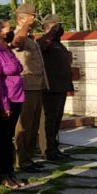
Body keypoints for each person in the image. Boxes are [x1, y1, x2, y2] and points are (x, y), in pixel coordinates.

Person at [0, 20, 26, 189]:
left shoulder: (7, 49)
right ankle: (3, 173)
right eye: (8, 30)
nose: (11, 33)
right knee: (2, 139)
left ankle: (10, 172)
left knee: (8, 138)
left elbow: (19, 67)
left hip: (17, 98)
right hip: (6, 100)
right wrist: (4, 106)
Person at [11, 4, 49, 173]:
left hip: (37, 85)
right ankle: (22, 161)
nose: (34, 19)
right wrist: (25, 25)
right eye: (31, 16)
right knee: (24, 125)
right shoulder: (17, 34)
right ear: (22, 17)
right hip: (26, 86)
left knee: (34, 126)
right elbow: (17, 42)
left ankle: (29, 158)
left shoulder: (31, 37)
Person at [37, 14, 74, 161]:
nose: (60, 29)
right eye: (57, 26)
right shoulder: (44, 41)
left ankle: (54, 147)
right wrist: (50, 33)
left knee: (56, 121)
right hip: (49, 88)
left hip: (61, 87)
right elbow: (40, 47)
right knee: (48, 121)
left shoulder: (58, 43)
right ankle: (47, 150)